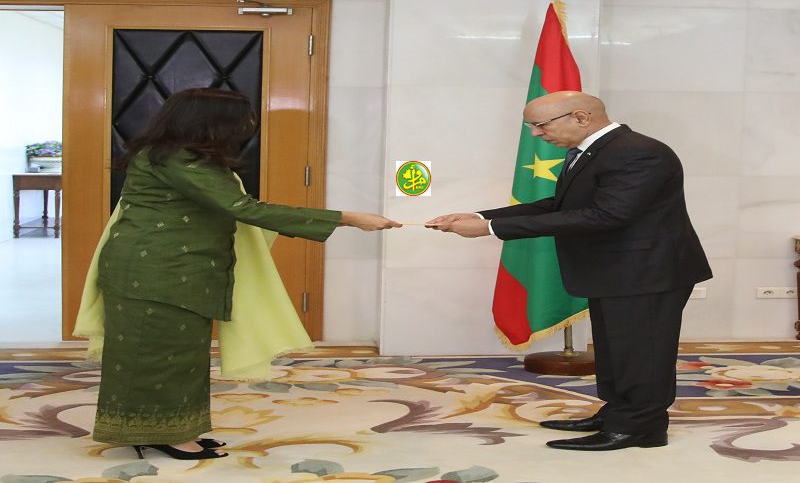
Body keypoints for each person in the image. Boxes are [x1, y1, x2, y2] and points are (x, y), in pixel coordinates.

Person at [83, 88, 401, 460]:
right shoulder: (176, 160)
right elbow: (243, 208)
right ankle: (165, 434)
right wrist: (346, 218)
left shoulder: (176, 156)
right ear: (209, 122)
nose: (248, 127)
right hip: (157, 271)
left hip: (172, 270)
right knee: (160, 356)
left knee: (177, 354)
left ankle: (169, 429)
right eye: (241, 121)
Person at [426, 91, 712, 451]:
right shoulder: (593, 151)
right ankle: (617, 414)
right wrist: (482, 216)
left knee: (642, 354)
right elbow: (559, 206)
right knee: (616, 351)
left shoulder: (639, 152)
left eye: (540, 125)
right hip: (617, 271)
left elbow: (607, 215)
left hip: (646, 272)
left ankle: (641, 428)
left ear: (580, 117)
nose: (536, 134)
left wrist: (491, 230)